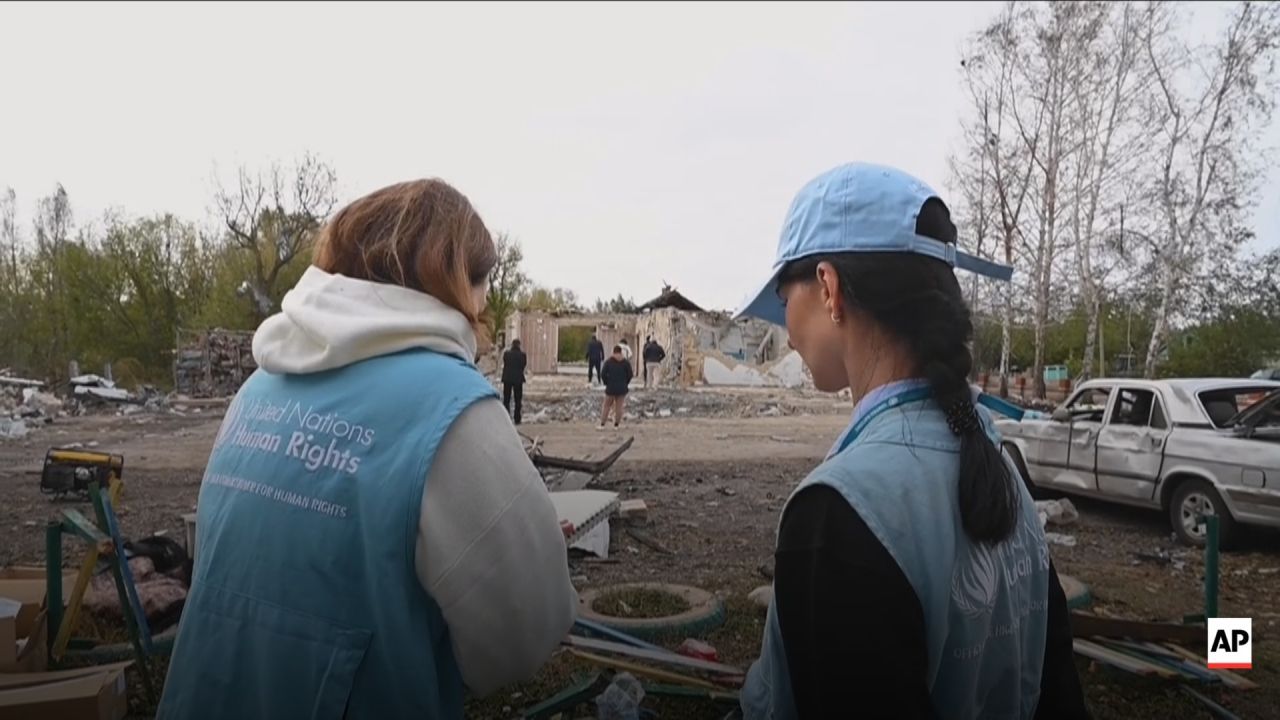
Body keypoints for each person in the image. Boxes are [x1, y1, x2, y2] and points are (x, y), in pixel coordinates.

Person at [158, 179, 576, 720]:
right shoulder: (451, 410)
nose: (486, 302)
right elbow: (525, 631)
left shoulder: (259, 389)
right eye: (483, 283)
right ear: (453, 281)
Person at [735, 163, 1088, 720]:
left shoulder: (838, 511)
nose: (786, 328)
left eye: (783, 298)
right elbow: (1059, 693)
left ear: (828, 288)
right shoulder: (997, 466)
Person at [598, 345, 632, 429]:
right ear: (621, 352)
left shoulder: (609, 362)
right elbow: (630, 375)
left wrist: (606, 382)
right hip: (622, 388)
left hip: (611, 387)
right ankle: (616, 425)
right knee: (619, 407)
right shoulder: (625, 363)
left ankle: (602, 424)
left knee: (606, 406)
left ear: (613, 352)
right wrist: (625, 383)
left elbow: (602, 374)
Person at [502, 339, 527, 424]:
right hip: (518, 379)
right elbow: (523, 365)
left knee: (506, 399)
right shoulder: (523, 355)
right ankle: (517, 418)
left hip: (507, 379)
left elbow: (505, 362)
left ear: (512, 345)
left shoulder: (506, 354)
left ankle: (506, 418)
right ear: (519, 345)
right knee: (518, 400)